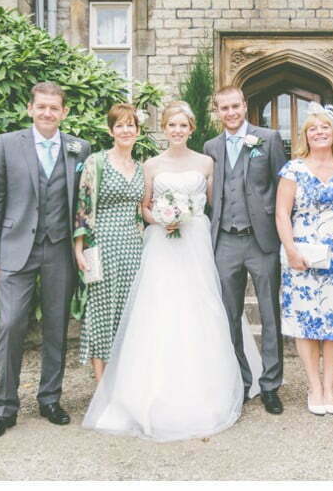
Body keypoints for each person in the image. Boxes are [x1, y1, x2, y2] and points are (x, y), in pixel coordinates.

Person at [82, 101, 259, 441]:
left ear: (191, 130)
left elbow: (213, 205)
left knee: (200, 309)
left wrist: (189, 218)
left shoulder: (206, 162)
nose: (177, 131)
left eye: (183, 126)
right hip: (162, 244)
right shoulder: (150, 165)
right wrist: (163, 218)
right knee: (159, 310)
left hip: (196, 243)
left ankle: (207, 388)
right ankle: (146, 390)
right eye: (171, 126)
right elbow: (145, 207)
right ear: (163, 129)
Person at [0, 81, 91, 441]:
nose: (47, 113)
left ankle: (50, 399)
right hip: (15, 249)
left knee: (57, 327)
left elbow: (84, 203)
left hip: (59, 250)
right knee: (11, 324)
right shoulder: (7, 144)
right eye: (41, 106)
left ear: (64, 112)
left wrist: (83, 247)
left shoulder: (79, 148)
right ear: (30, 108)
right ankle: (4, 408)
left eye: (54, 108)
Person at [275, 103, 333, 416]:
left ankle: (330, 386)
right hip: (302, 255)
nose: (319, 132)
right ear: (305, 135)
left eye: (324, 127)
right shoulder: (294, 168)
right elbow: (282, 213)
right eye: (312, 128)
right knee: (305, 321)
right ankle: (313, 386)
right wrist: (290, 250)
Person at [203, 85, 287, 414]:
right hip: (224, 240)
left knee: (269, 313)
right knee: (229, 316)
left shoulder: (269, 139)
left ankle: (270, 385)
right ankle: (240, 380)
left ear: (244, 105)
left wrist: (284, 237)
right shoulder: (211, 147)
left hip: (261, 239)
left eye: (235, 106)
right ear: (218, 111)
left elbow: (283, 189)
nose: (231, 113)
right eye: (224, 108)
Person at [73, 104, 144, 382]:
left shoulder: (140, 168)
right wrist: (79, 248)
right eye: (120, 125)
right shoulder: (97, 162)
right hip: (99, 244)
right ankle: (102, 384)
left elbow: (142, 211)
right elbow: (82, 205)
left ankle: (124, 379)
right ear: (111, 130)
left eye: (130, 125)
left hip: (133, 247)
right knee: (100, 311)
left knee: (129, 312)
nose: (125, 130)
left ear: (137, 131)